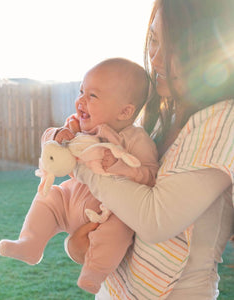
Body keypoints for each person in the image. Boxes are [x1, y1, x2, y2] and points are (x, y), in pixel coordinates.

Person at [67, 0, 234, 299]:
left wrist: (79, 160)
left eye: (174, 50)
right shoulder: (164, 115)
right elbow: (127, 198)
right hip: (116, 290)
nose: (155, 59)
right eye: (154, 40)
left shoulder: (224, 119)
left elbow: (155, 220)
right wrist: (93, 246)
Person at [0, 58, 159, 294]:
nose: (81, 100)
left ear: (125, 111)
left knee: (119, 231)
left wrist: (121, 167)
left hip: (105, 213)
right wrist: (57, 135)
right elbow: (49, 146)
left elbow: (150, 175)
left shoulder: (136, 140)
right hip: (71, 199)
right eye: (81, 91)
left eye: (92, 96)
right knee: (49, 195)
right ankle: (30, 244)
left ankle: (94, 273)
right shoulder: (75, 126)